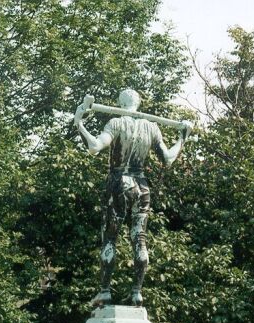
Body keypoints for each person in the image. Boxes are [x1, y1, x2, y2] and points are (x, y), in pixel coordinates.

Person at [74, 88, 192, 307]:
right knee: (139, 238)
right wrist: (182, 138)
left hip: (118, 182)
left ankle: (105, 291)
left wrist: (79, 123)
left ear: (119, 102)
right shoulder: (152, 127)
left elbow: (94, 147)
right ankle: (137, 291)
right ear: (138, 103)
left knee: (110, 238)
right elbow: (167, 158)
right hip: (141, 185)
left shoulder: (116, 123)